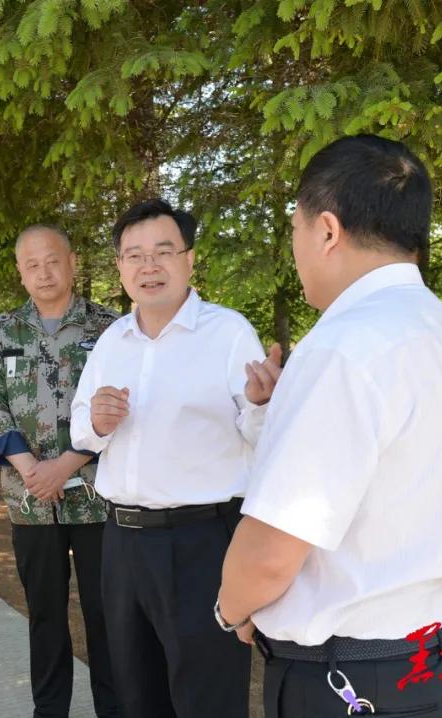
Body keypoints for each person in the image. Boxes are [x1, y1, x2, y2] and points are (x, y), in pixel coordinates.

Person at [217, 135, 442, 718]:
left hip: (348, 678)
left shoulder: (343, 347)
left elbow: (272, 550)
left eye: (295, 228)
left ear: (326, 230)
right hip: (436, 660)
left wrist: (231, 609)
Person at [70, 199, 281, 718]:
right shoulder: (111, 341)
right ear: (119, 267)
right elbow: (80, 427)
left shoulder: (228, 333)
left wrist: (259, 405)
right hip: (121, 543)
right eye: (134, 255)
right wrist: (97, 421)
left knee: (206, 694)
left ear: (189, 260)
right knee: (137, 694)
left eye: (163, 252)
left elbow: (264, 437)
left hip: (202, 543)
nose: (149, 267)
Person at [0, 225, 120, 718]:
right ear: (19, 271)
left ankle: (115, 708)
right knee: (45, 617)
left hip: (100, 496)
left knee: (108, 616)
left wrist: (67, 465)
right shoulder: (1, 332)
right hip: (31, 498)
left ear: (73, 261)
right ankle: (50, 709)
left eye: (53, 260)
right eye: (32, 264)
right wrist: (32, 469)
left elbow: (125, 405)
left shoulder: (111, 328)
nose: (44, 272)